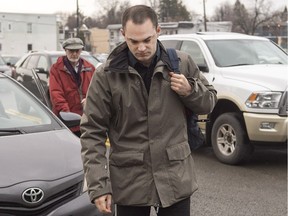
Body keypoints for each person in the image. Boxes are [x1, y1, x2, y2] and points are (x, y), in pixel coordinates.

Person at [80, 5, 217, 216]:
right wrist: (99, 185)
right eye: (133, 41)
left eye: (147, 40)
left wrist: (190, 90)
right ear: (123, 34)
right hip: (130, 181)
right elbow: (92, 132)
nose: (141, 47)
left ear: (158, 31)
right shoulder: (106, 75)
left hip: (175, 177)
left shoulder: (181, 63)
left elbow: (208, 103)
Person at [49, 37, 95, 137]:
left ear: (81, 50)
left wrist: (90, 101)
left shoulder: (90, 68)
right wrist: (66, 113)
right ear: (65, 51)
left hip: (86, 119)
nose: (74, 54)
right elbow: (56, 93)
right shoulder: (56, 69)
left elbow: (97, 91)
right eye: (71, 51)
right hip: (66, 120)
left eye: (77, 51)